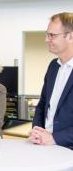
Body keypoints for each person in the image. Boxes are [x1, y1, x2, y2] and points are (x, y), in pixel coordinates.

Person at [29, 12, 73, 149]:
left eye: (52, 35)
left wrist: (54, 138)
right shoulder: (53, 66)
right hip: (46, 147)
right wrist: (37, 130)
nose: (47, 40)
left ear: (70, 36)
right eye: (47, 34)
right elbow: (42, 103)